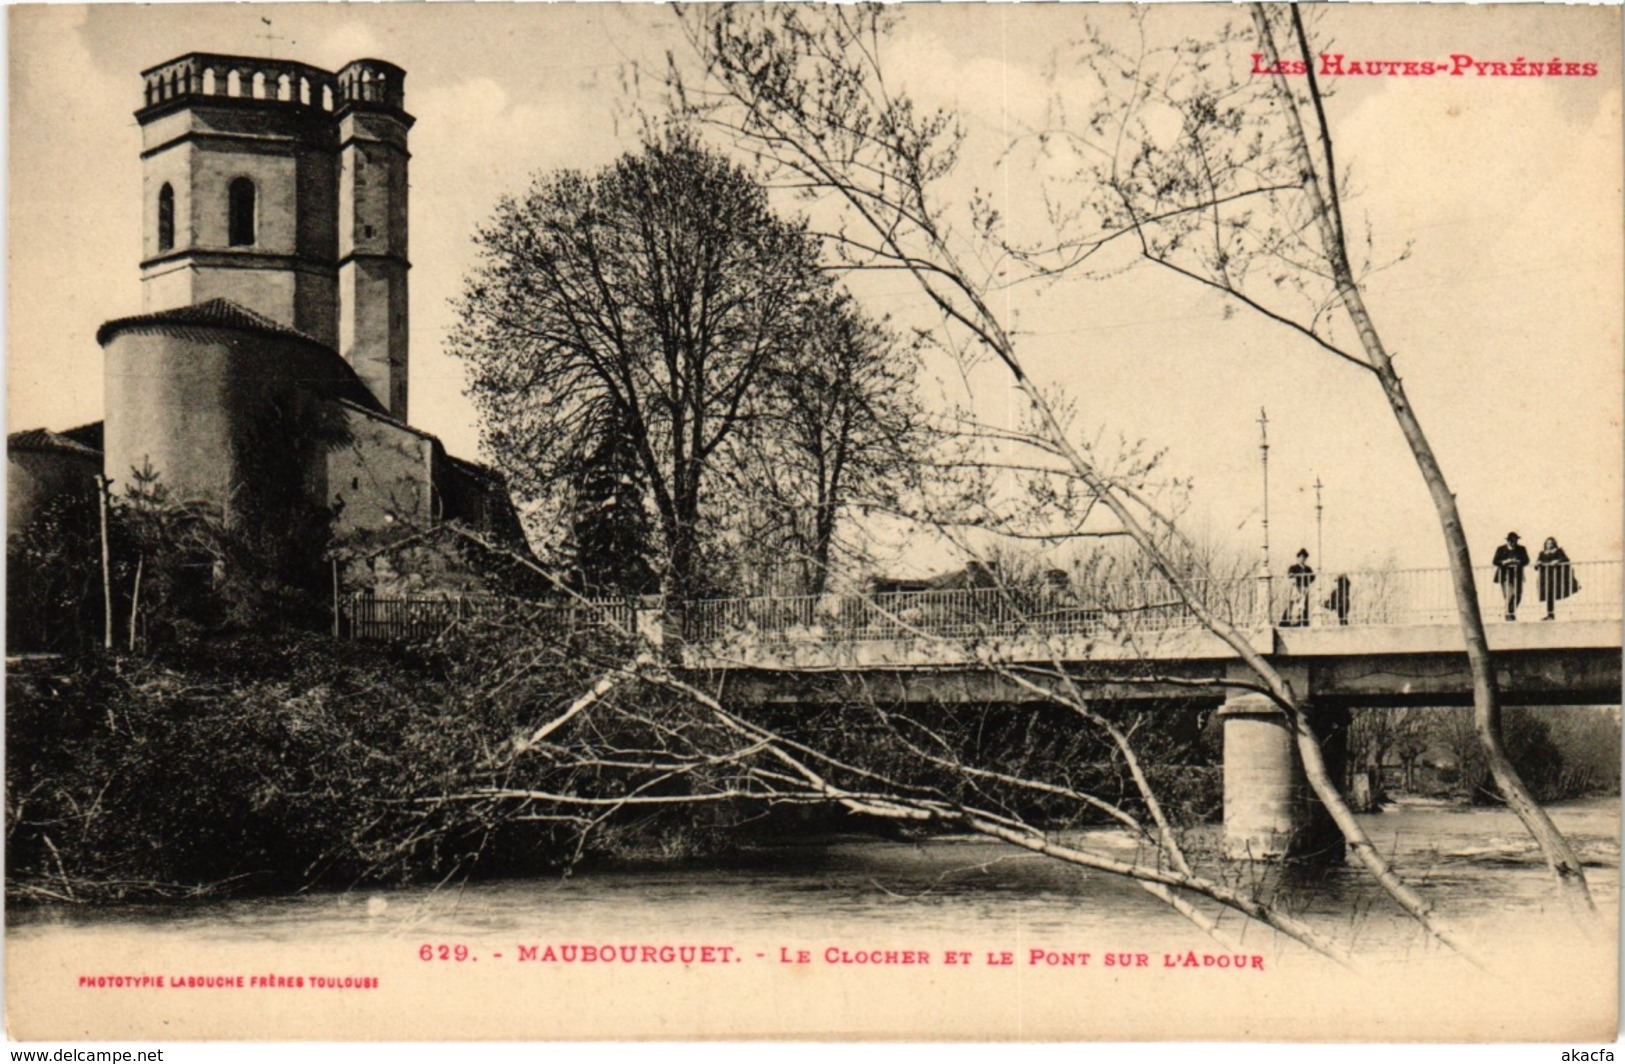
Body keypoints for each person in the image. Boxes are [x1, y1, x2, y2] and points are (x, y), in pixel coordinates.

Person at [1534, 537, 1578, 620]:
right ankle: (1550, 614)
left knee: (1557, 593)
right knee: (1549, 595)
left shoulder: (1559, 551)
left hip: (1556, 577)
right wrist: (1538, 563)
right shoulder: (1542, 553)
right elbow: (1536, 567)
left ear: (1554, 543)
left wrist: (1557, 561)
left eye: (1551, 543)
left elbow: (1566, 560)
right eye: (1547, 543)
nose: (1549, 545)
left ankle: (1570, 613)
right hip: (1546, 577)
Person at [1491, 531, 1530, 621]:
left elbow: (1526, 560)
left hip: (1517, 574)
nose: (1513, 542)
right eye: (1511, 541)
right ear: (1507, 541)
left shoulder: (1521, 549)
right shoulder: (1501, 549)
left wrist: (1519, 561)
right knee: (1509, 594)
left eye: (1515, 540)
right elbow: (1495, 561)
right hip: (1505, 575)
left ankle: (1511, 612)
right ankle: (1508, 614)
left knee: (1518, 595)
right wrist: (1504, 562)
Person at [1282, 548, 1315, 627]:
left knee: (1303, 606)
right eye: (1301, 557)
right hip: (1296, 589)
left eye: (1304, 557)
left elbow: (1312, 577)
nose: (1302, 559)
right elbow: (1290, 574)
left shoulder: (1308, 569)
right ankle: (1286, 622)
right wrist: (1294, 577)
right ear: (1298, 558)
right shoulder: (1294, 567)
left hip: (1304, 589)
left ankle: (1304, 622)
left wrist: (1307, 580)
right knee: (1294, 605)